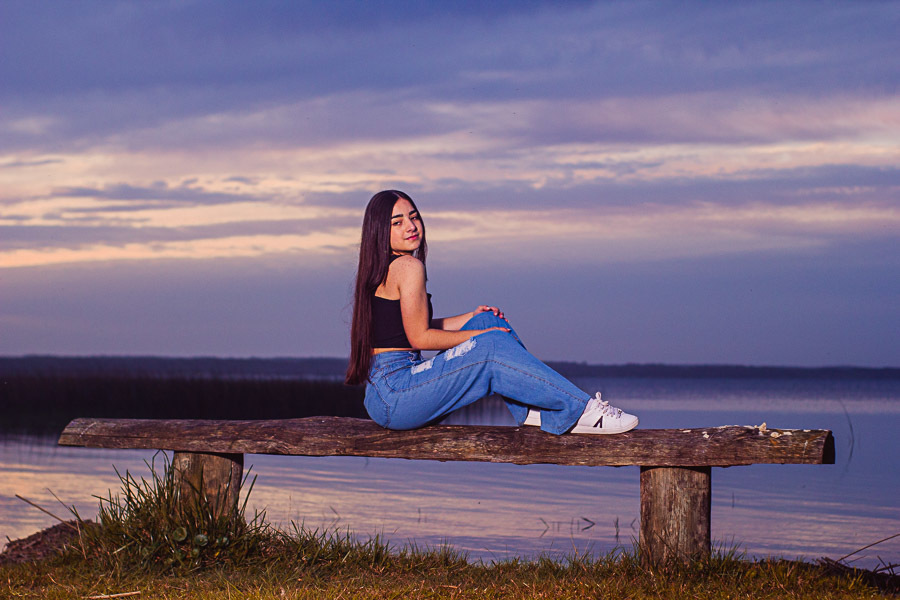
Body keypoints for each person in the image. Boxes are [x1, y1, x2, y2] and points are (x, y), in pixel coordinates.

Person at [346, 190, 638, 435]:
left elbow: (408, 327)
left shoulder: (385, 268)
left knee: (489, 320)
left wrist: (473, 319)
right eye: (397, 222)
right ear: (379, 231)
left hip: (387, 393)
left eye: (414, 217)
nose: (411, 226)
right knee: (490, 340)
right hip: (396, 392)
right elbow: (420, 338)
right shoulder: (408, 267)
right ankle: (582, 410)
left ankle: (532, 412)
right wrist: (482, 337)